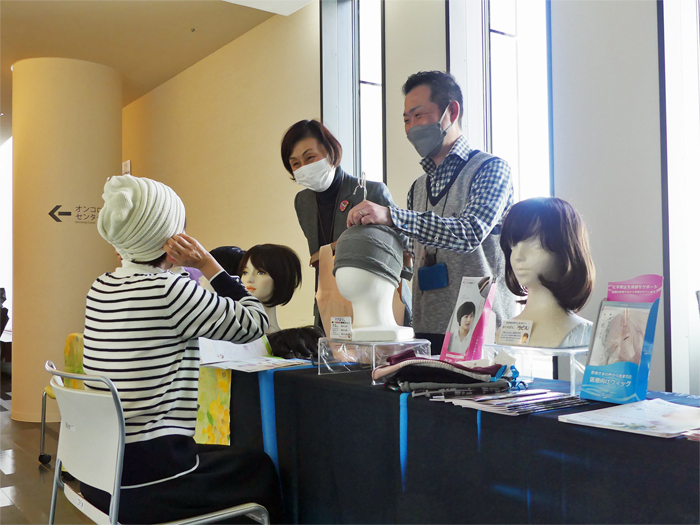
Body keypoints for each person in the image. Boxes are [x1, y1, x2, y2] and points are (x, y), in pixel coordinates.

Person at [81, 175, 282, 523]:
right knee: (258, 466)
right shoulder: (170, 291)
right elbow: (255, 322)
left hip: (97, 473)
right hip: (147, 478)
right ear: (170, 238)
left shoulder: (100, 287)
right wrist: (207, 264)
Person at [346, 71, 516, 352]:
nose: (412, 127)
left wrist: (392, 216)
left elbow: (470, 233)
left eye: (419, 115)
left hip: (480, 332)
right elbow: (412, 252)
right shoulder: (418, 188)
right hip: (426, 330)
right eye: (406, 120)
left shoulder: (490, 169)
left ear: (452, 112)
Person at [280, 119, 411, 329]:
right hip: (330, 304)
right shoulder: (302, 202)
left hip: (377, 306)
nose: (304, 168)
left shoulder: (371, 191)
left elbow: (406, 243)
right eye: (295, 164)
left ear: (331, 152)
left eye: (310, 157)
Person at [498, 196, 595, 348]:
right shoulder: (504, 333)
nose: (518, 256)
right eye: (513, 246)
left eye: (535, 245)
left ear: (564, 251)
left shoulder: (582, 332)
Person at [238, 243, 302, 334]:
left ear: (280, 277)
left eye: (261, 272)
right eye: (245, 272)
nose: (249, 279)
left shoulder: (288, 341)